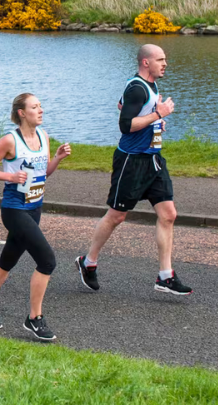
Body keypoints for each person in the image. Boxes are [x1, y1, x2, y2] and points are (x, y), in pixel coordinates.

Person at [76, 44, 193, 295]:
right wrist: (156, 114)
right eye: (160, 59)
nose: (165, 63)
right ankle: (88, 263)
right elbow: (125, 124)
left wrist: (156, 119)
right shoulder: (138, 87)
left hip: (153, 160)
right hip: (131, 161)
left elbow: (123, 105)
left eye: (165, 59)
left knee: (169, 214)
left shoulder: (149, 85)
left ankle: (165, 276)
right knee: (117, 216)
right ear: (145, 63)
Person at [0, 93, 72, 341]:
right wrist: (10, 177)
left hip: (35, 207)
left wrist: (57, 158)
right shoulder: (9, 141)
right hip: (15, 210)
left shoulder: (43, 136)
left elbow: (43, 172)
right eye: (35, 107)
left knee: (8, 260)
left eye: (40, 106)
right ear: (21, 113)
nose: (41, 110)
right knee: (47, 261)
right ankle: (34, 318)